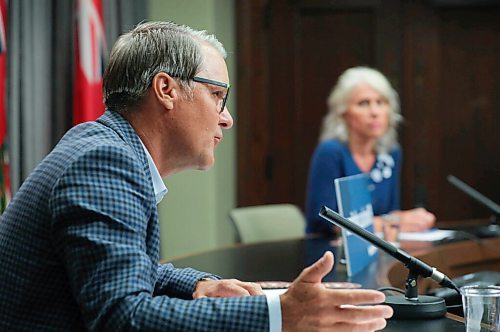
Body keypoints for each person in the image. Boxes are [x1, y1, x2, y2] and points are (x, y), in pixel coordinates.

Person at [0, 22, 392, 331]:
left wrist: (194, 284)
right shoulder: (105, 160)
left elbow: (124, 263)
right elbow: (123, 318)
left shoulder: (100, 143)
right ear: (166, 89)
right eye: (218, 96)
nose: (227, 117)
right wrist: (280, 318)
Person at [305, 66, 436, 236]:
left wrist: (410, 219)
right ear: (344, 113)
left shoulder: (391, 153)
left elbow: (390, 211)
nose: (374, 112)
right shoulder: (331, 152)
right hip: (328, 251)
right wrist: (391, 222)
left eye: (380, 102)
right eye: (363, 103)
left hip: (374, 246)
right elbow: (323, 220)